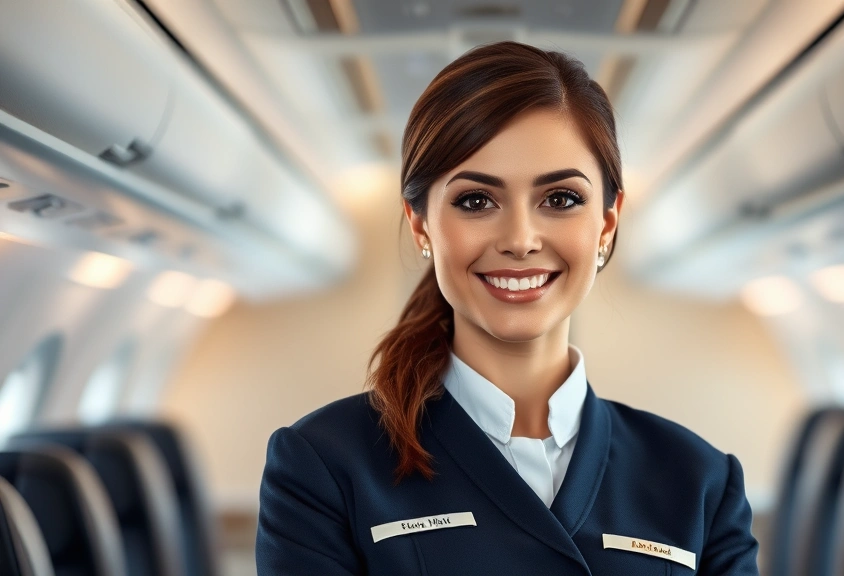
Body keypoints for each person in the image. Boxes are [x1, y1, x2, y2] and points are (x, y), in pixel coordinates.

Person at [256, 41, 759, 575]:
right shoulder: (325, 465)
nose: (520, 239)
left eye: (560, 199)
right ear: (421, 223)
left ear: (607, 223)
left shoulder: (700, 481)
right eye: (476, 201)